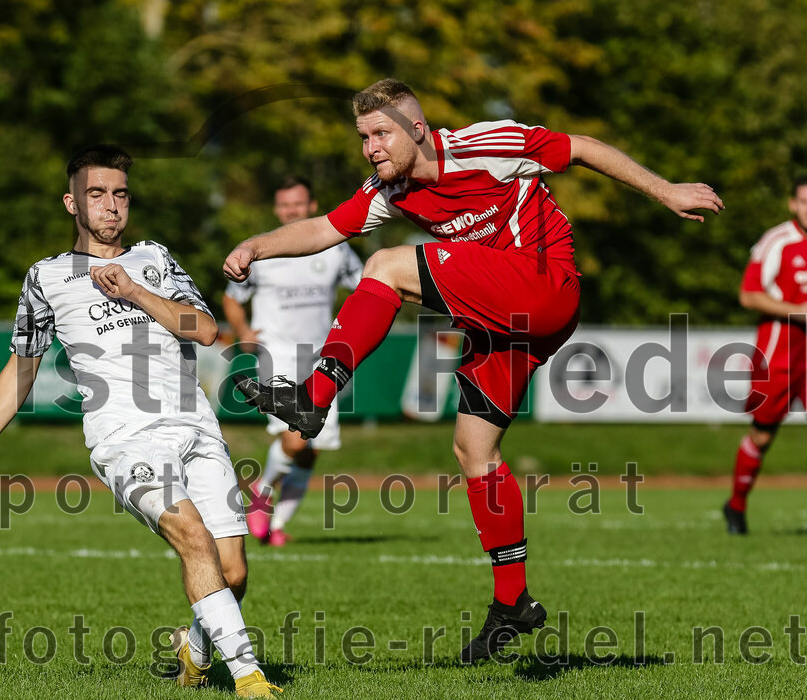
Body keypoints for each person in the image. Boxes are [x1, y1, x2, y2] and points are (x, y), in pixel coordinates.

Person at [223, 79, 723, 663]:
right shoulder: (392, 189)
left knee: (386, 265)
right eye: (363, 137)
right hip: (506, 323)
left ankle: (314, 394)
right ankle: (513, 601)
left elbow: (581, 147)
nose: (370, 148)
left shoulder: (484, 144)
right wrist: (256, 245)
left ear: (417, 129)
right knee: (473, 450)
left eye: (381, 133)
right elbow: (325, 227)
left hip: (543, 286)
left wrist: (665, 190)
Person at [0, 144, 281, 699]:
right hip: (125, 438)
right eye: (96, 194)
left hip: (197, 428)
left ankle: (194, 648)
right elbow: (22, 368)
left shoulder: (155, 259)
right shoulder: (46, 277)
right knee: (192, 537)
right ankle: (249, 677)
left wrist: (135, 291)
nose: (111, 205)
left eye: (120, 194)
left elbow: (207, 330)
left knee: (232, 573)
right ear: (72, 203)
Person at [223, 176, 363, 546]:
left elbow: (367, 287)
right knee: (297, 439)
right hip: (278, 355)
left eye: (298, 204)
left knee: (310, 450)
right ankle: (261, 495)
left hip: (324, 358)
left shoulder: (335, 249)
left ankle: (276, 526)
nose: (291, 211)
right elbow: (232, 297)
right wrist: (243, 329)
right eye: (285, 205)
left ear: (312, 206)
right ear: (276, 209)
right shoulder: (261, 252)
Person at [723, 175, 807, 535]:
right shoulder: (778, 241)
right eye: (804, 201)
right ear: (792, 204)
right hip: (779, 350)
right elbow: (748, 295)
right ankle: (736, 505)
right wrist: (797, 311)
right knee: (763, 435)